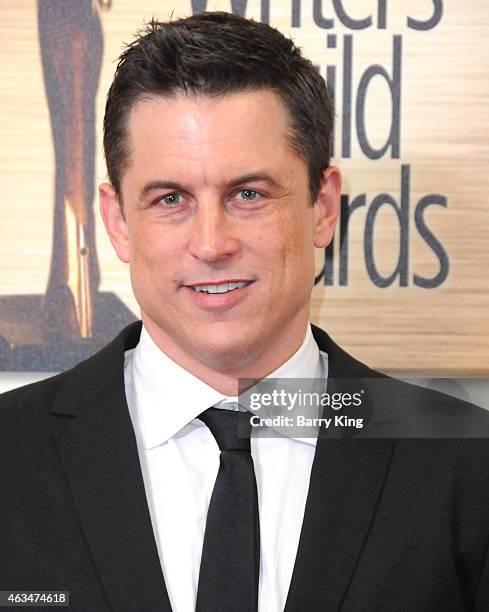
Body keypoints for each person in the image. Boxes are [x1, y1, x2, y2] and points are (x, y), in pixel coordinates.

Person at [1, 11, 489, 612]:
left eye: (248, 194)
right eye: (171, 198)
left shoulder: (466, 462)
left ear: (323, 207)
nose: (211, 243)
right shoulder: (8, 455)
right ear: (118, 221)